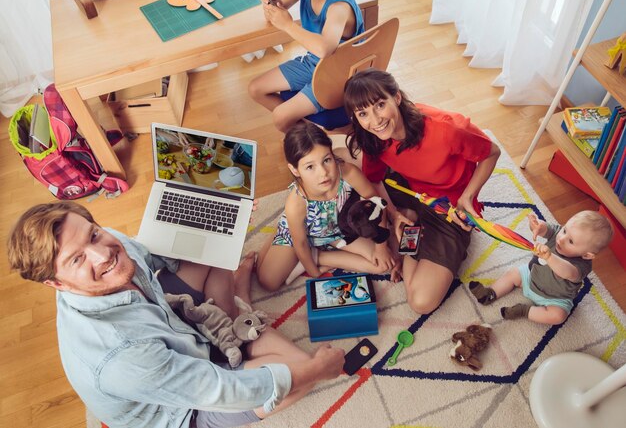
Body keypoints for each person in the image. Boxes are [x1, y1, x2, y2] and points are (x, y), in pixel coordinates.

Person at [7, 202, 345, 428]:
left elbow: (149, 255)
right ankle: (239, 310)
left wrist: (218, 215)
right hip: (185, 409)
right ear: (56, 283)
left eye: (93, 234)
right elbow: (220, 390)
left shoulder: (108, 246)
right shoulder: (120, 356)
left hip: (172, 321)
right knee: (301, 374)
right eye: (77, 260)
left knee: (214, 245)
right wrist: (318, 369)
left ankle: (236, 306)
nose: (103, 254)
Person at [343, 69, 502, 314]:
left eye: (380, 105)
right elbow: (375, 181)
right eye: (363, 113)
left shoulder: (447, 128)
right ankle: (409, 223)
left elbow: (492, 152)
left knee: (420, 302)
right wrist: (395, 214)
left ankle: (409, 243)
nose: (374, 120)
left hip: (448, 209)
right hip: (407, 191)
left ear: (396, 97)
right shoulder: (372, 137)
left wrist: (467, 197)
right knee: (348, 211)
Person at [247, 0, 364, 132]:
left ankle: (307, 138)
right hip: (314, 63)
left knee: (280, 117)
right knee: (255, 89)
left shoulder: (339, 6)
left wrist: (287, 24)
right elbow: (284, 3)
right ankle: (310, 135)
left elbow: (325, 48)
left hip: (337, 73)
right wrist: (276, 5)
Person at [255, 122, 396, 292]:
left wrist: (381, 248)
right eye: (310, 167)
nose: (323, 173)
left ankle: (321, 256)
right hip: (304, 235)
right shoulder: (296, 203)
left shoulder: (349, 173)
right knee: (267, 282)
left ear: (332, 153)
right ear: (295, 170)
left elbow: (376, 205)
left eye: (327, 160)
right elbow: (300, 243)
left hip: (338, 233)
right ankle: (282, 233)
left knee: (382, 265)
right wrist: (313, 271)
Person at [469, 211, 613, 325]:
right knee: (513, 273)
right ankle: (490, 293)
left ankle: (524, 311)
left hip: (554, 298)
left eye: (571, 241)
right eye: (565, 230)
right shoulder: (559, 236)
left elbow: (567, 272)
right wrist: (537, 226)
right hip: (531, 277)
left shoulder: (582, 265)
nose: (561, 239)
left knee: (558, 316)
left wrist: (550, 257)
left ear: (587, 255)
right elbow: (547, 229)